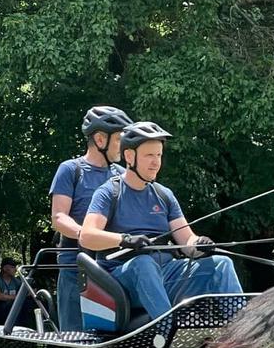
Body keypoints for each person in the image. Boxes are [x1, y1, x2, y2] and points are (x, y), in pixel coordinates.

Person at [79, 121, 242, 323]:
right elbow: (87, 236)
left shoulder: (164, 195)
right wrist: (125, 239)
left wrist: (200, 244)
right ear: (130, 156)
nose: (156, 162)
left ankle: (242, 337)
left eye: (159, 155)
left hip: (165, 275)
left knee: (221, 264)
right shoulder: (108, 193)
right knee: (143, 263)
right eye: (149, 155)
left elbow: (187, 240)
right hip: (120, 283)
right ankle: (168, 331)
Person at [50, 105, 133, 330]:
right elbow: (58, 217)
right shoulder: (70, 170)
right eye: (118, 139)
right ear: (99, 139)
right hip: (76, 268)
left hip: (112, 266)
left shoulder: (123, 175)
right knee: (76, 337)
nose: (123, 146)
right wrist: (86, 235)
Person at [0, 257, 21, 325]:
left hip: (11, 312)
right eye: (12, 267)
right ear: (5, 268)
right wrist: (18, 297)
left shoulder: (15, 281)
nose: (15, 269)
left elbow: (26, 290)